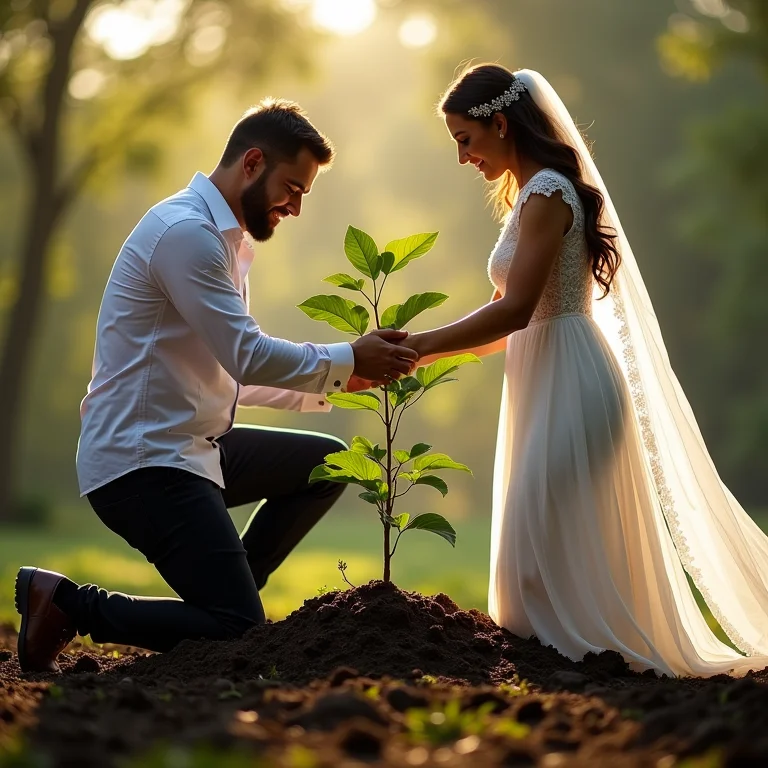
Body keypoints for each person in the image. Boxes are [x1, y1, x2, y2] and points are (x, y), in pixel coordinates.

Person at [15, 99, 418, 673]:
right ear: (252, 162)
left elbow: (226, 374)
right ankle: (67, 605)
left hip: (190, 445)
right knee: (238, 630)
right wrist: (347, 353)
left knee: (328, 465)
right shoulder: (187, 236)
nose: (297, 207)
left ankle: (233, 590)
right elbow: (247, 355)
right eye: (293, 188)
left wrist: (344, 375)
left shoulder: (222, 240)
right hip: (141, 461)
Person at [398, 64, 768, 677]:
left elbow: (516, 312)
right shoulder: (529, 196)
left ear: (498, 122)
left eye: (464, 139)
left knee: (535, 544)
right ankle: (565, 669)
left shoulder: (547, 193)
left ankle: (584, 666)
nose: (462, 158)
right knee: (530, 547)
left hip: (572, 379)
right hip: (543, 374)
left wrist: (419, 344)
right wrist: (421, 352)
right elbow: (506, 314)